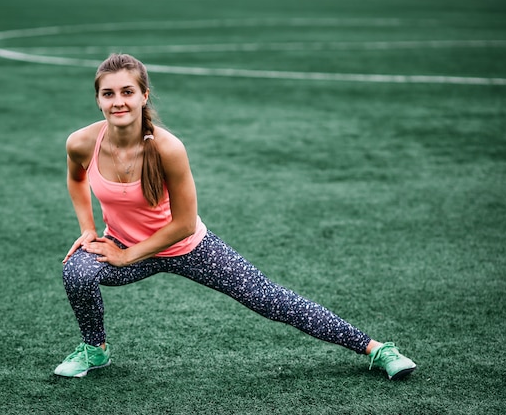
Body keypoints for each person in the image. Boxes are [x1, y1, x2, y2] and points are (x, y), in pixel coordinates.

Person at [54, 53, 417, 380]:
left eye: (128, 92)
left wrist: (128, 255)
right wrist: (88, 230)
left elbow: (182, 223)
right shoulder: (82, 142)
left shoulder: (168, 148)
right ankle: (95, 350)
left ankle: (377, 349)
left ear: (144, 95)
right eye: (109, 94)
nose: (119, 102)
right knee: (77, 271)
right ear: (98, 99)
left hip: (186, 246)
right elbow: (76, 178)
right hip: (123, 243)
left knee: (270, 299)